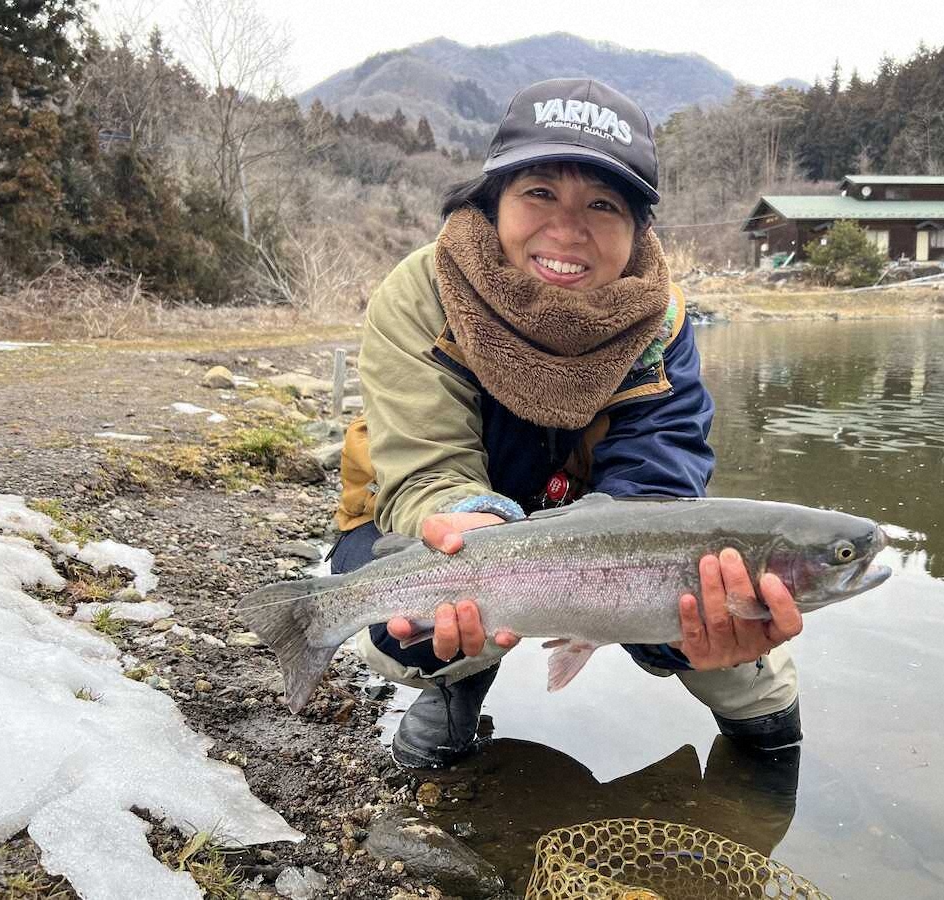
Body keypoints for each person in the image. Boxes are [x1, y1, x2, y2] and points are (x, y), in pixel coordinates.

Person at [330, 77, 803, 769]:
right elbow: (423, 464)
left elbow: (658, 493)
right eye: (539, 193)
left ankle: (765, 737)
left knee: (719, 608)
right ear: (492, 202)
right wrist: (465, 525)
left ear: (638, 229)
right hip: (445, 527)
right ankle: (456, 681)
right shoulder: (424, 290)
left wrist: (690, 621)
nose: (567, 229)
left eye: (602, 204)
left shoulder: (659, 321)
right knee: (407, 621)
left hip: (604, 535)